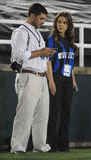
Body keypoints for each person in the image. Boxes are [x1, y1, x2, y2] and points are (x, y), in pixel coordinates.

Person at [10, 3, 55, 154]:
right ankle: (18, 147)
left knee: (42, 115)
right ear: (32, 16)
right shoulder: (21, 32)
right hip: (28, 75)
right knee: (25, 113)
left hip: (41, 77)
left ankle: (40, 146)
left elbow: (39, 55)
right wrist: (41, 52)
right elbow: (18, 55)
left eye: (44, 19)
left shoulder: (37, 33)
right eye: (41, 18)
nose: (43, 21)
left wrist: (46, 53)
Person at [47, 12, 78, 152]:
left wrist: (74, 81)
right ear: (56, 23)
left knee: (66, 113)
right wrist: (51, 82)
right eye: (59, 22)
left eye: (64, 22)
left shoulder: (71, 42)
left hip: (67, 81)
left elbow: (70, 64)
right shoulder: (51, 39)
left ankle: (63, 145)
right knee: (54, 113)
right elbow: (48, 62)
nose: (61, 25)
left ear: (68, 25)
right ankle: (52, 145)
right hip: (56, 78)